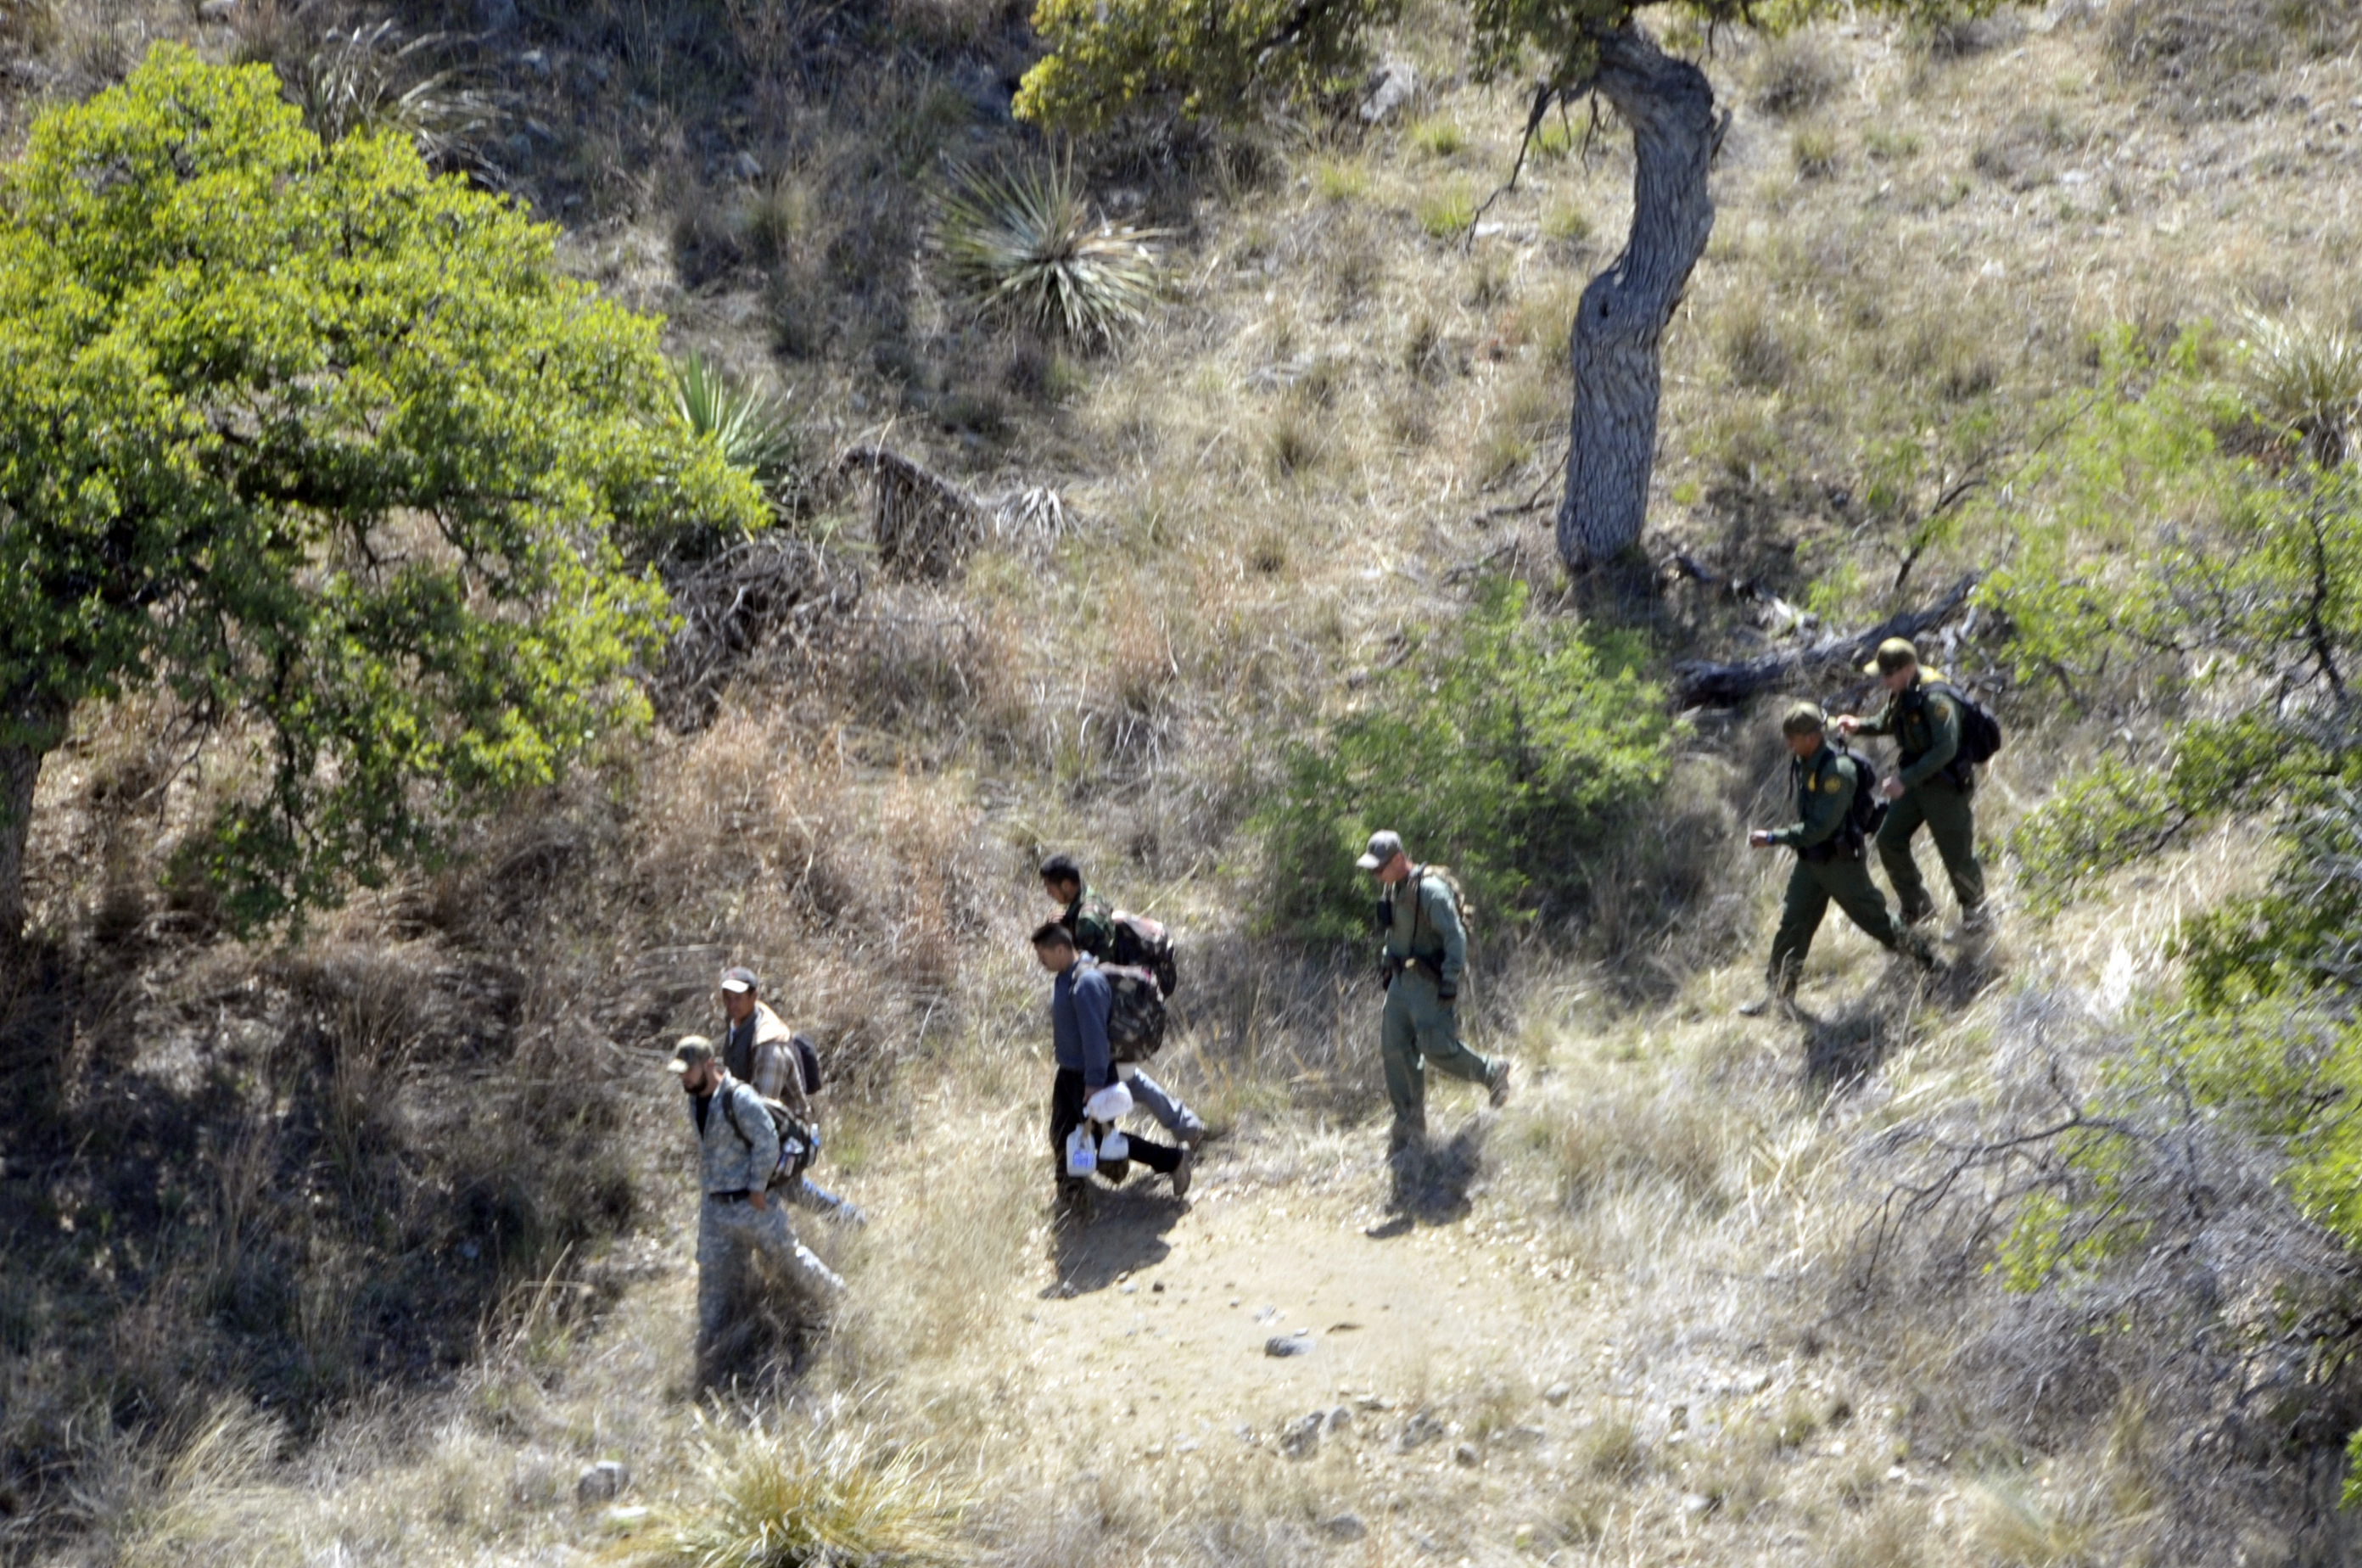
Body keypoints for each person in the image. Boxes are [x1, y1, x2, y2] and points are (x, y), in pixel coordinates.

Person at [667, 1036, 844, 1384]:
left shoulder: (740, 1098)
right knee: (713, 1291)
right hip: (717, 1213)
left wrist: (758, 1188)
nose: (683, 1079)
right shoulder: (694, 1102)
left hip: (752, 1206)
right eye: (680, 1074)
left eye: (688, 1072)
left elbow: (767, 1141)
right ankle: (713, 1366)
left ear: (708, 1065)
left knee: (791, 1261)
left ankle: (841, 1304)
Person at [1742, 703, 1935, 1017]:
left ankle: (1930, 965)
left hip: (1839, 863)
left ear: (1811, 736)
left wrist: (1775, 838)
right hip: (1811, 863)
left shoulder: (1837, 772)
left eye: (1793, 738)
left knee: (1876, 921)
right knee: (1793, 925)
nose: (1788, 744)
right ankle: (1778, 996)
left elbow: (1820, 827)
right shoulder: (1806, 761)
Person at [1038, 854, 1206, 1148]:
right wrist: (1066, 921)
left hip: (1106, 1009)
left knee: (1125, 1079)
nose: (1048, 893)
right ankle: (1183, 1126)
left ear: (1066, 885)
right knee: (1127, 1078)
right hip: (1110, 1004)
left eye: (1050, 887)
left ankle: (1173, 1138)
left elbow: (1088, 965)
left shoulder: (1086, 918)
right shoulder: (1089, 900)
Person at [1359, 831, 1510, 1153]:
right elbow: (1396, 933)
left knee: (1437, 1048)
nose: (1375, 874)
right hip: (1400, 983)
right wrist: (1387, 963)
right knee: (1395, 1050)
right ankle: (1409, 1126)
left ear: (1399, 860)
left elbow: (1455, 937)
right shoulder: (1394, 887)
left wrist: (1449, 980)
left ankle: (1492, 1072)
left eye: (1379, 867)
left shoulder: (1430, 891)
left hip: (1428, 982)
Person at [1033, 920, 1192, 1216]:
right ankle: (1071, 1197)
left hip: (1089, 1078)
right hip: (1068, 1074)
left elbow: (1096, 1040)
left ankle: (1172, 1160)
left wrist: (1094, 1084)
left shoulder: (1087, 983)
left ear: (1059, 949)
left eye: (1043, 956)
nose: (1040, 962)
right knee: (1061, 1134)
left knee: (1102, 1140)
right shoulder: (1064, 976)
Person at [1833, 638, 1990, 938]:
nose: (1884, 680)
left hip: (1944, 786)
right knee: (1889, 839)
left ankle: (1978, 918)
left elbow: (1946, 747)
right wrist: (1859, 725)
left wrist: (1904, 780)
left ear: (1907, 669)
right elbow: (1890, 720)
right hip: (1917, 784)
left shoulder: (1935, 699)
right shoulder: (1905, 691)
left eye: (1888, 674)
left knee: (1956, 854)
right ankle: (1918, 908)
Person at [719, 966, 865, 1227]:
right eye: (727, 997)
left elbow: (762, 1109)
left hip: (787, 1134)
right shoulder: (739, 1024)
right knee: (791, 1192)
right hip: (766, 1128)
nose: (732, 1004)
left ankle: (846, 1219)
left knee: (778, 1190)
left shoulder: (769, 1045)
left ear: (754, 996)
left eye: (738, 997)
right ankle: (847, 1218)